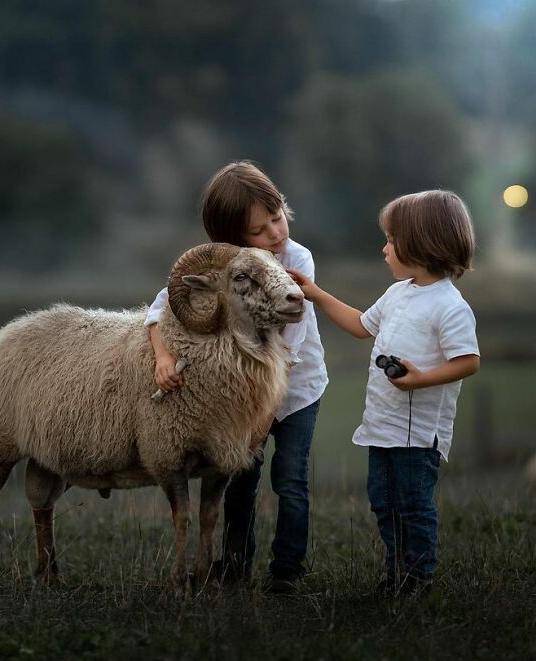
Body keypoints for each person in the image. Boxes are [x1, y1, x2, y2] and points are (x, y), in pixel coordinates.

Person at [145, 161, 327, 593]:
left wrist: (259, 427)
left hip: (296, 389)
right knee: (239, 479)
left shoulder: (297, 259)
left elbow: (291, 346)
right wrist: (162, 356)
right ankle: (235, 563)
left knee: (290, 478)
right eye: (259, 231)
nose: (276, 234)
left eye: (277, 218)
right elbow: (159, 305)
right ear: (232, 237)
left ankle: (287, 571)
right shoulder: (227, 265)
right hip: (245, 394)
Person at [288, 190, 480, 594]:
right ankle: (396, 573)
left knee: (412, 506)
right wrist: (316, 294)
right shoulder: (398, 293)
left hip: (416, 434)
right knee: (383, 502)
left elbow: (468, 360)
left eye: (391, 240)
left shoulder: (450, 305)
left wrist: (419, 379)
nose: (384, 248)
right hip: (383, 426)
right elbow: (362, 325)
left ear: (421, 243)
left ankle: (417, 579)